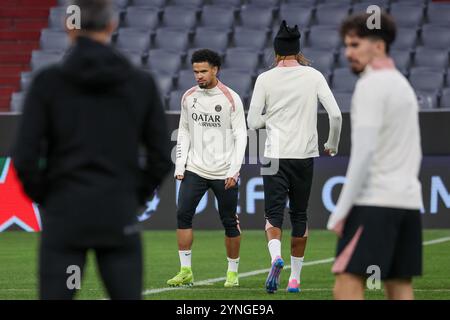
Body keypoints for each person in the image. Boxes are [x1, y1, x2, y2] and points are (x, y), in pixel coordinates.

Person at [12, 0, 172, 300]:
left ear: (68, 27)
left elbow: (24, 157)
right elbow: (161, 156)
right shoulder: (140, 83)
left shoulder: (49, 83)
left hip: (65, 216)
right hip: (117, 214)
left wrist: (51, 198)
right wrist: (131, 196)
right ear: (111, 25)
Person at [327, 12, 423, 300]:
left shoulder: (370, 86)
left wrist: (341, 210)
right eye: (346, 46)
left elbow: (364, 152)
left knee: (347, 281)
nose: (348, 53)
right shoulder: (402, 85)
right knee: (399, 285)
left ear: (378, 46)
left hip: (374, 202)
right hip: (407, 202)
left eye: (355, 45)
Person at [247, 20, 343, 293]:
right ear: (298, 49)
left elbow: (253, 122)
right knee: (299, 215)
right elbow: (335, 115)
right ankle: (295, 279)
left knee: (273, 216)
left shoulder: (264, 79)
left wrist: (272, 118)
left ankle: (275, 257)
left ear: (276, 51)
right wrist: (331, 143)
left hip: (273, 154)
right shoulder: (313, 76)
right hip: (303, 154)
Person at [167, 49, 247, 288]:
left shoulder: (230, 98)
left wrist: (234, 170)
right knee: (183, 215)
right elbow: (184, 131)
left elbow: (241, 136)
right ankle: (185, 271)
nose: (199, 76)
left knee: (229, 222)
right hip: (195, 168)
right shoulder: (188, 97)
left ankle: (232, 273)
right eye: (195, 72)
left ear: (215, 70)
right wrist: (180, 164)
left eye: (203, 71)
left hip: (224, 172)